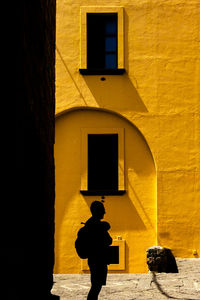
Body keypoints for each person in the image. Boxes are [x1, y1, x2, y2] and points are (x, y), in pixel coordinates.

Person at [85, 201, 112, 300]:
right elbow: (108, 240)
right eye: (102, 210)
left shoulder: (90, 223)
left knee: (96, 285)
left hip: (94, 259)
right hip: (98, 260)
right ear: (98, 211)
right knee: (96, 286)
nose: (104, 212)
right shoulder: (97, 226)